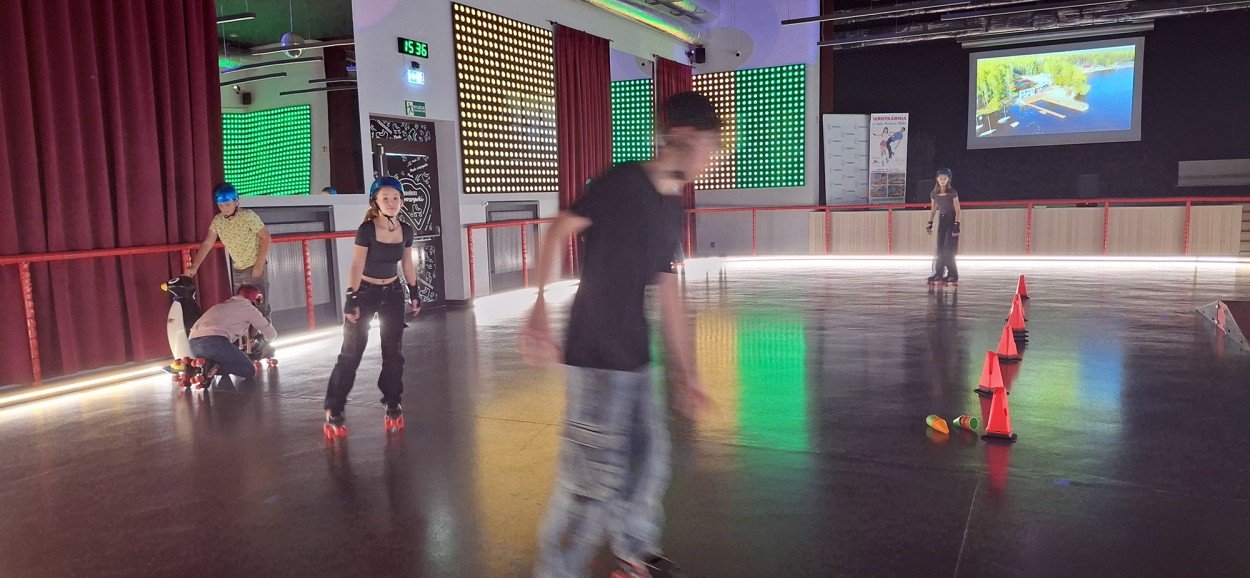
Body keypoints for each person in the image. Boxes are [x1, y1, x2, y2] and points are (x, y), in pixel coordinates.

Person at [523, 91, 716, 578]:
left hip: (634, 355)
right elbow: (558, 230)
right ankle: (556, 571)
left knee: (647, 458)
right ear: (684, 137)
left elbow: (668, 294)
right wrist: (539, 308)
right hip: (596, 357)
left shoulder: (670, 204)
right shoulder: (622, 182)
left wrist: (687, 373)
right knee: (589, 483)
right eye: (710, 146)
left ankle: (633, 555)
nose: (712, 158)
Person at [323, 176, 422, 435]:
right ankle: (334, 406)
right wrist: (352, 297)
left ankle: (392, 401)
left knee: (393, 353)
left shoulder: (406, 230)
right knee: (351, 352)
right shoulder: (366, 229)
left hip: (393, 293)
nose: (391, 202)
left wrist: (414, 292)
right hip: (365, 292)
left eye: (396, 198)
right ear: (375, 201)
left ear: (402, 201)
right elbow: (357, 264)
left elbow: (407, 263)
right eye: (385, 198)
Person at [186, 183, 273, 318]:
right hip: (238, 269)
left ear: (236, 201)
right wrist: (195, 266)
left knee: (260, 305)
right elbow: (208, 243)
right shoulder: (218, 221)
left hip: (254, 265)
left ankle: (265, 330)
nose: (224, 209)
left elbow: (266, 237)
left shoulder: (247, 216)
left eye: (227, 204)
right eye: (220, 205)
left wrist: (259, 263)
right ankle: (247, 331)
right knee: (241, 306)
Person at [187, 284, 277, 382]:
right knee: (249, 370)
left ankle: (198, 368)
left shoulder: (220, 305)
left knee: (226, 355)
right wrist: (264, 339)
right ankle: (215, 366)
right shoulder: (247, 307)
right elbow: (270, 333)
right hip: (214, 343)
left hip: (192, 345)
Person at [926, 168, 962, 285]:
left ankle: (953, 274)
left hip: (951, 219)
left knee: (948, 249)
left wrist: (957, 224)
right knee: (940, 249)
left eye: (944, 178)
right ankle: (938, 273)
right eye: (940, 178)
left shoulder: (952, 192)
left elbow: (958, 209)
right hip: (942, 220)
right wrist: (930, 223)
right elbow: (933, 209)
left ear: (948, 180)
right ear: (937, 179)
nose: (942, 180)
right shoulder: (934, 193)